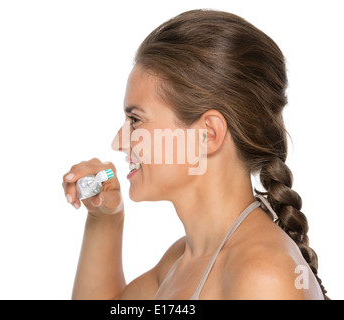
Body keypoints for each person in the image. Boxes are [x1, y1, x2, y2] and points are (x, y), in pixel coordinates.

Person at [62, 9, 328, 300]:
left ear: (208, 134)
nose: (119, 142)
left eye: (135, 120)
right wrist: (105, 218)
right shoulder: (182, 259)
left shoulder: (263, 277)